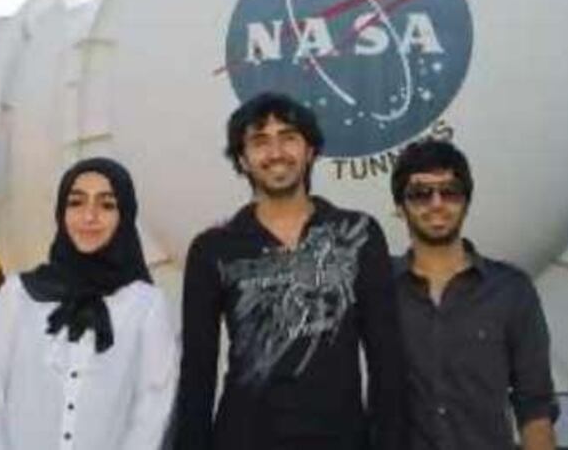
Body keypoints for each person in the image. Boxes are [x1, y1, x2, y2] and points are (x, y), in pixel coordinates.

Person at [172, 93, 403, 450]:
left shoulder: (358, 234)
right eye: (260, 141)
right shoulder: (213, 249)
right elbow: (197, 373)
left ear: (310, 150)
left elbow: (387, 361)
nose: (276, 152)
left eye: (289, 137)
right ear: (242, 159)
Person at [0, 157, 178, 450]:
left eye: (106, 205)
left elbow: (152, 408)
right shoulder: (18, 296)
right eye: (76, 203)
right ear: (60, 213)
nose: (89, 216)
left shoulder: (145, 305)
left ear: (125, 215)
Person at [390, 140, 559, 450]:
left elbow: (535, 408)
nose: (436, 203)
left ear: (466, 202)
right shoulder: (378, 290)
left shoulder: (511, 290)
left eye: (450, 191)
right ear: (400, 208)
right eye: (420, 194)